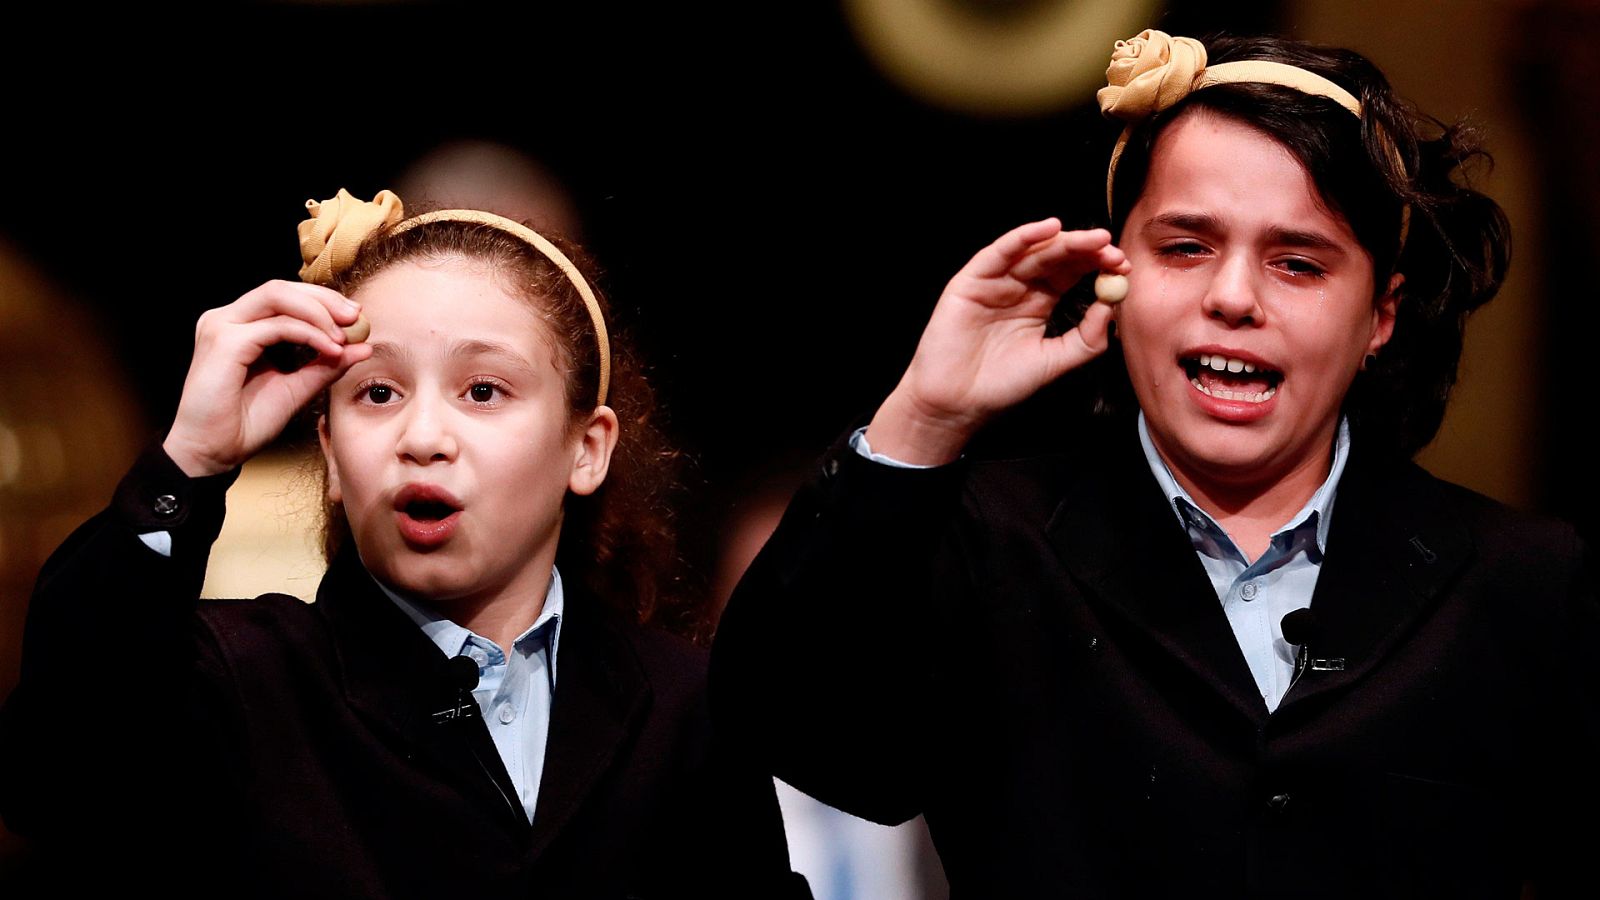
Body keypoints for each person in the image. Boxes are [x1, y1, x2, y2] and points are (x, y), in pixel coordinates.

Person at [712, 30, 1598, 898]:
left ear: (1381, 315)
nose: (1233, 297)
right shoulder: (987, 543)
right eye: (1185, 247)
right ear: (1112, 270)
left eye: (1298, 263)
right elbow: (781, 727)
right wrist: (926, 417)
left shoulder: (1524, 582)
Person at [0, 189, 810, 898]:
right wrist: (190, 461)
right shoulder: (239, 681)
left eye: (483, 390)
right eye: (378, 392)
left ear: (586, 448)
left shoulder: (686, 708)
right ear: (330, 457)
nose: (423, 436)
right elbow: (56, 776)